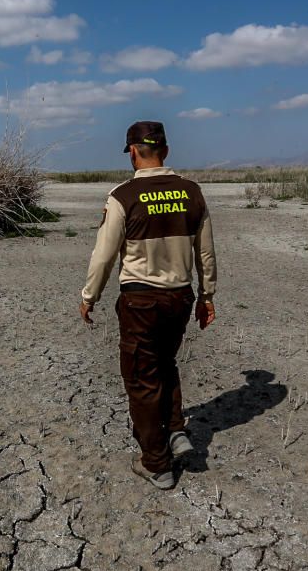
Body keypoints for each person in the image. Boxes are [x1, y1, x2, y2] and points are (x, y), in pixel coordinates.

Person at [79, 120, 217, 490]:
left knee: (141, 378)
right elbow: (205, 252)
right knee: (166, 362)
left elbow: (104, 255)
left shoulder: (123, 196)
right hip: (180, 297)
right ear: (166, 151)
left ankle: (157, 463)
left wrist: (88, 296)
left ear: (134, 152)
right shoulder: (192, 193)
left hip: (141, 299)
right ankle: (174, 430)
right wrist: (207, 296)